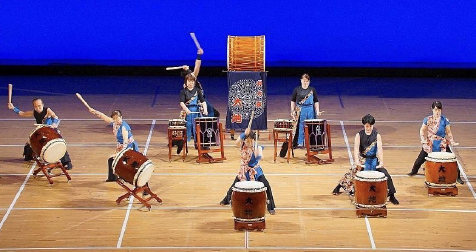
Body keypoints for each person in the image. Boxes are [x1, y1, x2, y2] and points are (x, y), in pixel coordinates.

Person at [332, 114, 399, 205]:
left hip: (374, 160)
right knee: (352, 173)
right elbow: (356, 149)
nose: (368, 128)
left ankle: (392, 196)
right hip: (363, 160)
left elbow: (379, 149)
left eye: (370, 126)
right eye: (367, 126)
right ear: (364, 125)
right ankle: (338, 186)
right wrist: (357, 161)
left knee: (386, 175)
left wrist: (382, 161)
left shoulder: (377, 135)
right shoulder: (359, 135)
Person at [219, 128, 276, 215]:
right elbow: (236, 142)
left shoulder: (257, 146)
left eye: (250, 141)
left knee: (266, 185)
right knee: (234, 186)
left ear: (253, 140)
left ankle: (270, 206)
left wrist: (258, 156)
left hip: (255, 171)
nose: (249, 143)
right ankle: (227, 199)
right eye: (247, 141)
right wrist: (243, 134)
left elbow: (261, 156)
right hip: (244, 171)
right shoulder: (242, 145)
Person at [407, 101, 463, 184]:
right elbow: (422, 130)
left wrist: (452, 141)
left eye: (439, 110)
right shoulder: (427, 119)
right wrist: (423, 140)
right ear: (432, 109)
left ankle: (458, 177)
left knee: (453, 161)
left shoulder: (445, 120)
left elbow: (448, 132)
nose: (437, 112)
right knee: (419, 160)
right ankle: (414, 171)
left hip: (442, 143)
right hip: (430, 143)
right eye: (436, 110)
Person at [7, 98, 73, 169]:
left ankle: (67, 162)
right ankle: (29, 157)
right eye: (35, 106)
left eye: (39, 106)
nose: (37, 108)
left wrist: (54, 124)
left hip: (50, 130)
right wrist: (13, 108)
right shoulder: (34, 112)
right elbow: (22, 113)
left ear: (42, 105)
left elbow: (55, 117)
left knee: (58, 143)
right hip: (41, 131)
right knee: (30, 143)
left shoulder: (47, 110)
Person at [88, 108, 138, 182]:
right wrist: (94, 112)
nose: (116, 120)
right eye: (114, 119)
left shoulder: (124, 127)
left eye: (117, 118)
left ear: (121, 117)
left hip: (129, 147)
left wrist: (119, 153)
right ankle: (112, 177)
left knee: (126, 163)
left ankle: (132, 179)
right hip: (121, 146)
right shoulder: (115, 123)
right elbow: (103, 116)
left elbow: (125, 141)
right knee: (111, 160)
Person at [290, 74, 321, 148]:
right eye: (304, 81)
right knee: (299, 126)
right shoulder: (296, 89)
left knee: (311, 126)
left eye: (307, 81)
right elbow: (293, 101)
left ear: (309, 82)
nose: (305, 83)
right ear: (301, 81)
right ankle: (298, 142)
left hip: (310, 110)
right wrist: (292, 111)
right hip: (300, 110)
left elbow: (316, 101)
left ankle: (312, 143)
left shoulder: (312, 90)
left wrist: (317, 111)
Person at [179, 72, 208, 146]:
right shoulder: (183, 91)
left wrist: (205, 110)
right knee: (188, 126)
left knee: (197, 127)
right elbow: (182, 102)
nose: (191, 83)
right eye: (189, 81)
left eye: (192, 81)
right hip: (188, 111)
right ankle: (186, 143)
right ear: (186, 82)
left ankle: (197, 143)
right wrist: (186, 109)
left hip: (196, 111)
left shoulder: (197, 90)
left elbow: (203, 101)